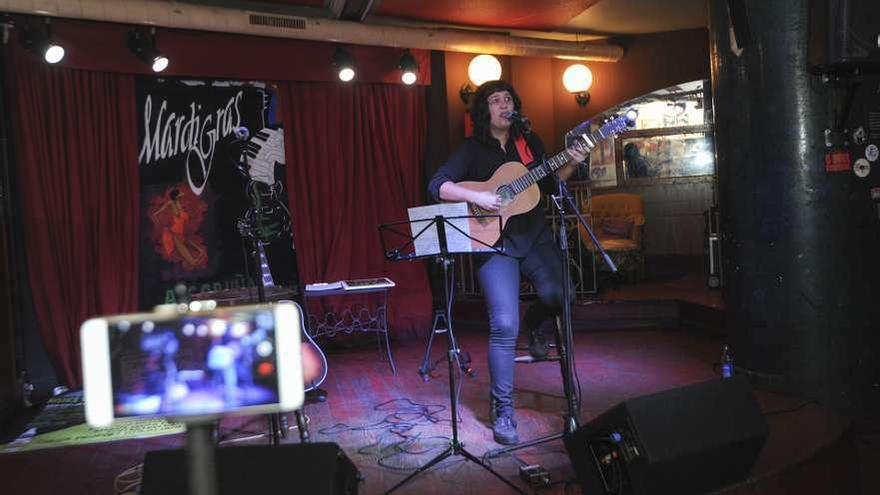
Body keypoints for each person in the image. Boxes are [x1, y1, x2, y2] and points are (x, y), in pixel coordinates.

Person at [427, 80, 588, 445]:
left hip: (534, 236)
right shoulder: (471, 149)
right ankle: (503, 410)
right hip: (495, 243)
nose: (503, 105)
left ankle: (536, 325)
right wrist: (477, 194)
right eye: (495, 100)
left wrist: (572, 163)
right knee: (502, 325)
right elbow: (438, 185)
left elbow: (547, 185)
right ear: (484, 111)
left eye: (508, 99)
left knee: (561, 294)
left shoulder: (529, 143)